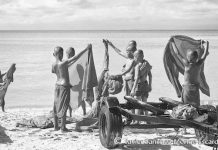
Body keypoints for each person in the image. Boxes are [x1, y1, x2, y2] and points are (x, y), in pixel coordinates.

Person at [174, 41, 209, 134]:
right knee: (195, 107)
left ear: (188, 58)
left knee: (185, 106)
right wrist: (207, 45)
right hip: (195, 89)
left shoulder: (186, 63)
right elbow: (204, 55)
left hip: (187, 89)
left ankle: (184, 129)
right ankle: (195, 128)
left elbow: (177, 53)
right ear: (196, 58)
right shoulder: (199, 64)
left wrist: (173, 43)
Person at [52, 46, 90, 132]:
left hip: (57, 86)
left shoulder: (53, 64)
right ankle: (63, 127)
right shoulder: (63, 63)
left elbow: (54, 72)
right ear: (61, 54)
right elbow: (75, 57)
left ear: (53, 54)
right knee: (64, 106)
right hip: (64, 86)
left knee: (56, 105)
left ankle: (55, 127)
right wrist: (85, 49)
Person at [107, 40, 137, 114]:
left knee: (132, 99)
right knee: (127, 98)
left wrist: (118, 75)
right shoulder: (128, 58)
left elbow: (128, 71)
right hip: (126, 80)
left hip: (131, 80)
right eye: (126, 51)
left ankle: (133, 116)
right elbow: (119, 52)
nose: (126, 52)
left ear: (132, 52)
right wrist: (111, 45)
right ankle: (130, 115)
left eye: (128, 51)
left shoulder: (134, 60)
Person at [130, 50, 152, 123]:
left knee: (138, 104)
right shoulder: (147, 64)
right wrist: (150, 85)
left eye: (135, 57)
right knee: (145, 103)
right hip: (145, 84)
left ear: (138, 57)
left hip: (139, 86)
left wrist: (133, 89)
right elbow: (150, 75)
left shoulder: (137, 66)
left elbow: (136, 79)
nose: (134, 59)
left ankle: (137, 120)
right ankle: (147, 120)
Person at [65, 47, 75, 117]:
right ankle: (84, 112)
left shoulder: (66, 62)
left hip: (70, 83)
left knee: (68, 100)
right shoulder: (76, 61)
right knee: (68, 100)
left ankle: (70, 114)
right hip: (72, 82)